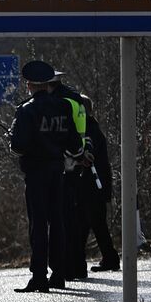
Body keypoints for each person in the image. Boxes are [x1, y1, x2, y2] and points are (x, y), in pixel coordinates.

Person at [8, 60, 83, 293]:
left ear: (30, 85)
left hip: (36, 172)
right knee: (57, 222)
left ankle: (39, 276)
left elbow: (18, 147)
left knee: (38, 225)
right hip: (58, 170)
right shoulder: (63, 107)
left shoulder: (26, 110)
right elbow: (76, 145)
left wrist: (12, 137)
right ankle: (58, 274)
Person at [49, 74, 92, 280]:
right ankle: (78, 266)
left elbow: (65, 135)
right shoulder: (77, 100)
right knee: (73, 220)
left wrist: (74, 154)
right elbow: (85, 132)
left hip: (65, 165)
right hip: (77, 164)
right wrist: (84, 153)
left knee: (63, 221)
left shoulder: (60, 103)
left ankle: (67, 268)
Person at [75, 95, 121, 272]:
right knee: (86, 223)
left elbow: (91, 152)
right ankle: (83, 258)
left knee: (95, 223)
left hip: (92, 184)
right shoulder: (93, 127)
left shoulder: (89, 129)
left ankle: (109, 258)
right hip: (96, 183)